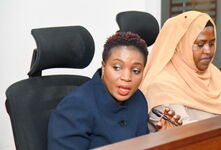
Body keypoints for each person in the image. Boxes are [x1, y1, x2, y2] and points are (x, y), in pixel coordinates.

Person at [48, 32, 181, 150]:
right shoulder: (75, 106)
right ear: (104, 66)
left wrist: (163, 138)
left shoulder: (138, 99)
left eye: (136, 71)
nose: (126, 78)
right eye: (117, 67)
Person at [140, 11, 221, 126]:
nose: (208, 51)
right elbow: (182, 131)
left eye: (212, 43)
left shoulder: (214, 75)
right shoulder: (161, 84)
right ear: (181, 45)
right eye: (200, 44)